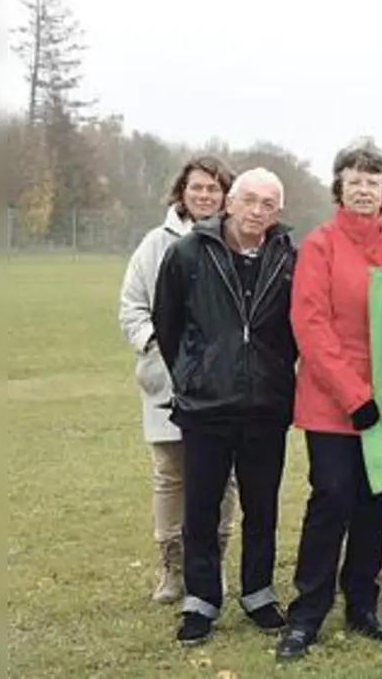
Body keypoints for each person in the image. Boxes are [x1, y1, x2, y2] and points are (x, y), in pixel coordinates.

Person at [276, 140, 382, 661]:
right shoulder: (320, 246)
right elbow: (311, 325)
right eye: (355, 180)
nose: (364, 189)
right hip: (332, 400)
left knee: (374, 503)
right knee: (332, 499)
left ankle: (362, 604)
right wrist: (352, 394)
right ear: (339, 187)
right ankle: (307, 613)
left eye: (373, 180)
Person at [152, 167, 299, 645]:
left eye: (268, 204)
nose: (257, 211)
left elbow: (296, 328)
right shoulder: (188, 253)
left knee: (262, 506)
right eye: (249, 200)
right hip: (206, 406)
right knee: (201, 507)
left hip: (266, 405)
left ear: (278, 211)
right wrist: (192, 374)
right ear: (229, 202)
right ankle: (200, 600)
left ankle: (258, 592)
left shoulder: (288, 257)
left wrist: (275, 372)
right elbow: (168, 322)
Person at [117, 155, 241, 605]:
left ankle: (211, 563)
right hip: (168, 380)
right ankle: (172, 566)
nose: (205, 195)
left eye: (213, 188)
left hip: (223, 384)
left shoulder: (237, 241)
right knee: (171, 473)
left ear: (226, 195)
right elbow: (131, 307)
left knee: (222, 477)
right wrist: (162, 345)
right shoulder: (156, 244)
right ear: (182, 192)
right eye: (197, 187)